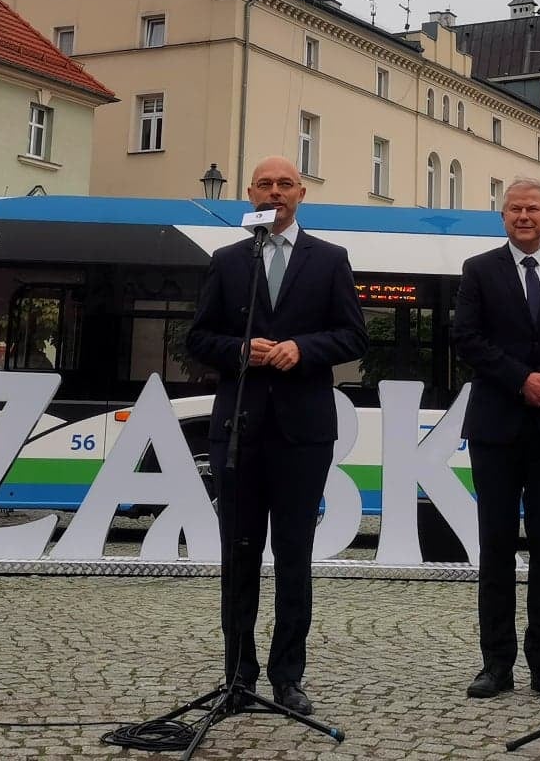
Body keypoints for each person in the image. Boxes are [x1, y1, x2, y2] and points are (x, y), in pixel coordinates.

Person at [185, 156, 367, 717]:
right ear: (250, 193)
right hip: (238, 429)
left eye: (284, 184)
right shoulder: (229, 259)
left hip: (303, 433)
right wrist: (240, 350)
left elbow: (354, 336)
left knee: (294, 558)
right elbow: (197, 338)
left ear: (301, 193)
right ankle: (237, 676)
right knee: (238, 559)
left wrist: (303, 349)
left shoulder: (330, 260)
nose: (274, 192)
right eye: (264, 184)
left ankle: (289, 677)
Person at [452, 178, 540, 704]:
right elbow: (467, 337)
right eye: (514, 208)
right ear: (503, 217)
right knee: (495, 549)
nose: (524, 216)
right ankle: (496, 664)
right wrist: (520, 379)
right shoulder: (480, 270)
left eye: (533, 208)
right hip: (496, 427)